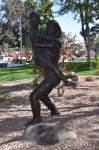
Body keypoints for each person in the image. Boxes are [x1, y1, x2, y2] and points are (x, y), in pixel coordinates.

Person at [27, 10, 76, 126]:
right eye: (47, 27)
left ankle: (37, 119)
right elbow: (38, 37)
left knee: (33, 96)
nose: (47, 29)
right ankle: (54, 110)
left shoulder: (53, 44)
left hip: (53, 76)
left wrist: (65, 79)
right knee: (43, 95)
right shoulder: (50, 40)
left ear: (55, 30)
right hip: (50, 75)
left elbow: (53, 65)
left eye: (50, 27)